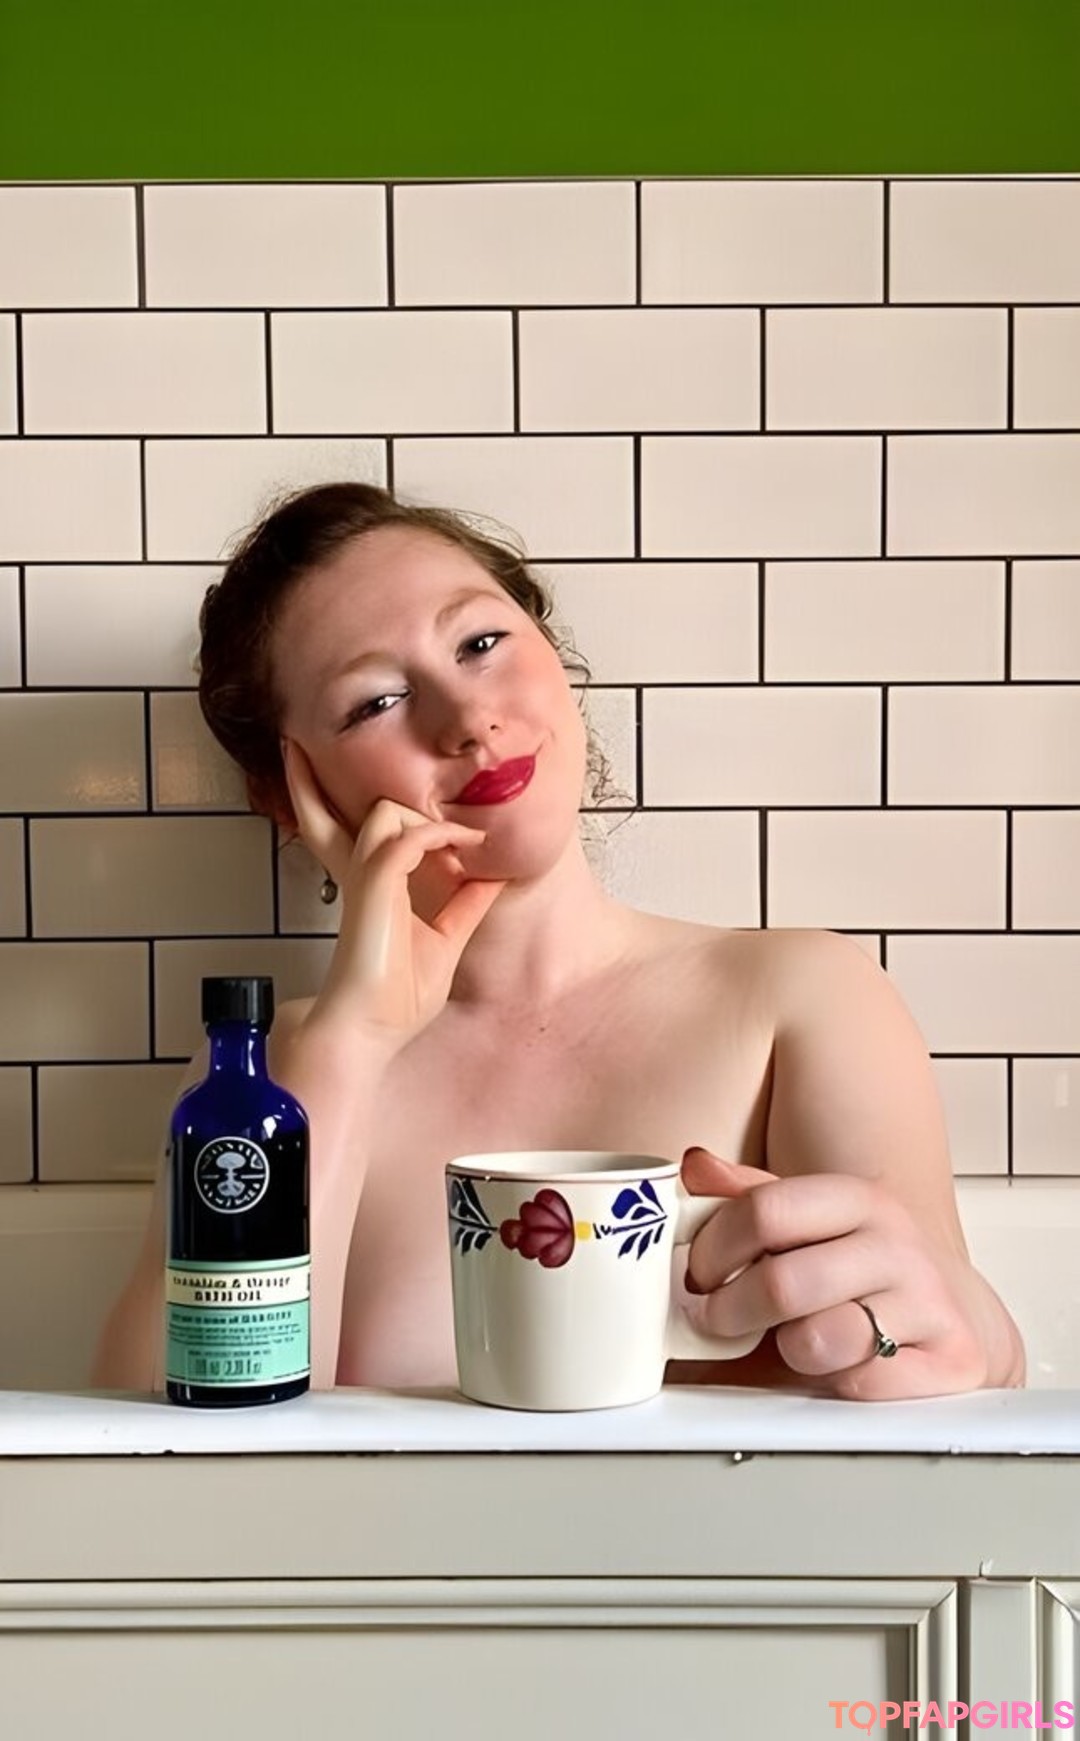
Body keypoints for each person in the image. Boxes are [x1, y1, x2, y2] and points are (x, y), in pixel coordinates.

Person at [92, 482, 1025, 1401]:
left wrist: (953, 1327)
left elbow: (972, 1365)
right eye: (377, 701)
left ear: (551, 650)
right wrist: (351, 1045)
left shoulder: (800, 997)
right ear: (290, 794)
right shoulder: (262, 1080)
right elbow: (147, 1452)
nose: (469, 720)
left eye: (481, 643)